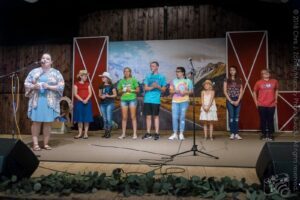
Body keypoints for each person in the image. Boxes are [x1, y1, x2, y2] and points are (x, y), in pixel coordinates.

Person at [24, 53, 65, 151]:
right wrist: (34, 86)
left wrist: (49, 86)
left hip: (49, 101)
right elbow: (26, 83)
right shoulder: (34, 72)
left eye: (47, 58)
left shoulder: (56, 72)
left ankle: (46, 144)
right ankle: (35, 144)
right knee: (36, 123)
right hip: (37, 100)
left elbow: (61, 85)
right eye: (43, 58)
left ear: (51, 62)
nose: (45, 60)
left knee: (48, 123)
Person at [142, 61, 167, 140]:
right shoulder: (148, 76)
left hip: (156, 100)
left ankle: (157, 133)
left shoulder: (161, 77)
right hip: (147, 99)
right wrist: (153, 87)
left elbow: (163, 90)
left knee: (156, 117)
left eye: (153, 66)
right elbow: (145, 88)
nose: (151, 67)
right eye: (151, 66)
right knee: (148, 117)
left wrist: (158, 86)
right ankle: (148, 133)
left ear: (157, 67)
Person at [168, 67, 193, 140]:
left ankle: (181, 133)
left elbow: (191, 91)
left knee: (182, 117)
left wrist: (185, 92)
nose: (177, 73)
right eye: (176, 71)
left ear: (183, 73)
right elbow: (170, 91)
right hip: (175, 101)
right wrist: (176, 91)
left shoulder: (188, 81)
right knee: (174, 117)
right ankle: (175, 133)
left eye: (178, 71)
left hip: (184, 101)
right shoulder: (173, 81)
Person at [253, 69, 278, 141]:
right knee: (263, 119)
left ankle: (270, 134)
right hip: (261, 104)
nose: (266, 74)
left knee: (270, 119)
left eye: (267, 73)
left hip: (271, 104)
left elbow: (276, 90)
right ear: (262, 75)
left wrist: (276, 99)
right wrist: (256, 102)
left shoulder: (274, 81)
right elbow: (254, 92)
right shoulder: (259, 82)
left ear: (269, 74)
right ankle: (264, 134)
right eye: (264, 73)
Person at [117, 67, 140, 139]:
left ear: (130, 72)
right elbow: (119, 91)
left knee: (133, 117)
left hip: (132, 99)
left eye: (128, 71)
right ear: (123, 73)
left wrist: (131, 90)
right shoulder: (121, 81)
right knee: (124, 117)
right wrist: (124, 90)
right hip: (124, 100)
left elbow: (138, 90)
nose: (126, 73)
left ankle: (135, 134)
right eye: (125, 71)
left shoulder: (133, 80)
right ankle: (123, 134)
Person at [223, 66, 243, 140]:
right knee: (231, 117)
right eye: (231, 70)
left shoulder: (239, 79)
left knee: (236, 117)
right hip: (229, 99)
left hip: (238, 99)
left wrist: (238, 100)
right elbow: (225, 91)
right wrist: (231, 101)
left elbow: (241, 91)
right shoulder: (226, 79)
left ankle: (236, 133)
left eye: (233, 70)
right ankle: (232, 133)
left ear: (236, 71)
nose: (232, 71)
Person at [73, 70, 93, 139]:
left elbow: (90, 93)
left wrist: (86, 100)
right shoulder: (76, 84)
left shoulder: (88, 84)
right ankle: (80, 133)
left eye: (86, 76)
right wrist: (82, 100)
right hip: (79, 102)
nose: (86, 77)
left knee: (86, 118)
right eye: (84, 76)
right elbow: (75, 94)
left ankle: (86, 133)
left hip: (87, 102)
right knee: (79, 119)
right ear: (81, 76)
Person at [98, 72, 117, 138]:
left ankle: (108, 132)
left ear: (107, 78)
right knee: (104, 119)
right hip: (103, 103)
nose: (102, 78)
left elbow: (115, 95)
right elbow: (99, 94)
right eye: (102, 77)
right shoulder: (101, 85)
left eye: (104, 77)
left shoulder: (112, 86)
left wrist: (108, 96)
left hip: (110, 103)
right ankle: (106, 132)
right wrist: (101, 97)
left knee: (109, 119)